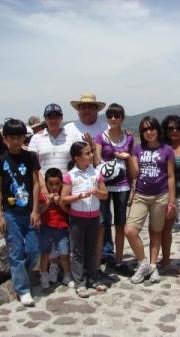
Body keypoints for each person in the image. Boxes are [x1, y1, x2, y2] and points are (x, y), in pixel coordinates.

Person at [0, 118, 41, 307]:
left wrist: (36, 210)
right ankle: (22, 289)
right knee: (16, 252)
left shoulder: (30, 157)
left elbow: (36, 183)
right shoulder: (0, 161)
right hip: (10, 213)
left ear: (24, 137)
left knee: (33, 250)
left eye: (19, 136)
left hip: (29, 210)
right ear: (5, 138)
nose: (16, 140)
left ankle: (22, 277)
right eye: (12, 137)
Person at [124, 117, 176, 284]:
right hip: (141, 195)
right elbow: (134, 174)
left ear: (157, 130)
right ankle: (143, 262)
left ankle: (153, 266)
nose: (149, 132)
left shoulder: (167, 150)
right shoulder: (138, 149)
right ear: (142, 132)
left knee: (156, 231)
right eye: (145, 129)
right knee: (130, 230)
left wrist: (172, 201)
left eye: (152, 128)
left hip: (161, 196)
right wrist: (129, 156)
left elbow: (170, 176)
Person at [65, 93, 113, 267]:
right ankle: (79, 257)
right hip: (75, 181)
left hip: (98, 179)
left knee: (102, 220)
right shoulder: (69, 128)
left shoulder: (105, 127)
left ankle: (103, 255)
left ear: (97, 110)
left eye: (90, 107)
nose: (86, 110)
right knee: (76, 222)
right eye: (83, 107)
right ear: (78, 110)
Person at [28, 103, 74, 282]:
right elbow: (34, 165)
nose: (53, 120)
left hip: (66, 188)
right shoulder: (37, 139)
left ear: (61, 117)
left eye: (57, 116)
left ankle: (61, 267)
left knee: (63, 229)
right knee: (46, 229)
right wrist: (45, 189)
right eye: (50, 117)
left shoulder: (70, 136)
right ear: (45, 119)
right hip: (44, 188)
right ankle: (52, 266)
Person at [60, 141, 109, 298]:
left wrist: (96, 192)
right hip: (77, 219)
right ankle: (80, 282)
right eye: (87, 153)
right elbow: (64, 198)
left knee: (92, 250)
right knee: (78, 251)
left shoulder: (95, 173)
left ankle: (94, 278)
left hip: (94, 217)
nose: (91, 155)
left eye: (90, 152)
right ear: (77, 158)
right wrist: (79, 196)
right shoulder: (70, 176)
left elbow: (105, 194)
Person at [95, 103, 134, 275]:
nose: (113, 119)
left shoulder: (129, 137)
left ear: (122, 118)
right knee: (102, 223)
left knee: (120, 224)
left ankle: (118, 261)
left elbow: (131, 163)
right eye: (110, 115)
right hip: (104, 184)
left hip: (122, 185)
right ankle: (96, 263)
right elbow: (97, 162)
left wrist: (133, 187)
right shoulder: (100, 137)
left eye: (116, 116)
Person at [160, 115, 180, 275]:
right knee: (165, 229)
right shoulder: (162, 147)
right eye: (170, 128)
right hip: (167, 194)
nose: (174, 131)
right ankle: (165, 259)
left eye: (177, 128)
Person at [38, 168, 73, 289]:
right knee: (45, 254)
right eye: (51, 184)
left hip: (61, 227)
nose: (54, 187)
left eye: (57, 184)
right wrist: (48, 202)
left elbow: (69, 212)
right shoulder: (42, 195)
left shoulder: (65, 193)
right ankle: (43, 275)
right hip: (45, 227)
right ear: (46, 183)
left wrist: (61, 203)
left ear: (62, 183)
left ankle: (67, 276)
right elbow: (39, 211)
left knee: (64, 252)